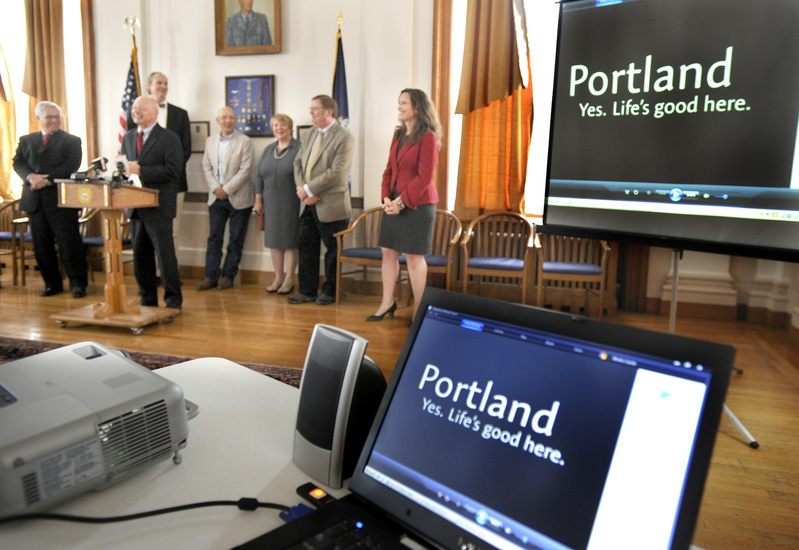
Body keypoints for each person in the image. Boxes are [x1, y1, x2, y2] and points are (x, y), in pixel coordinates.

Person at [367, 89, 442, 321]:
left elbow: (425, 176)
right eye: (398, 103)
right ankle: (387, 303)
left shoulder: (427, 136)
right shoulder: (398, 134)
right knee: (388, 252)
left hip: (418, 204)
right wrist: (386, 199)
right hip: (394, 203)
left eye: (403, 103)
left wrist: (400, 202)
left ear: (417, 107)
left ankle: (420, 310)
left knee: (413, 257)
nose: (398, 107)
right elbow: (389, 170)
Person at [12, 101, 88, 298]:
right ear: (39, 119)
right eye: (49, 117)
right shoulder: (26, 140)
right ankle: (52, 284)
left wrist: (45, 180)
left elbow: (71, 166)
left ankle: (78, 283)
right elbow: (18, 162)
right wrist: (30, 177)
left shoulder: (71, 140)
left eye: (57, 117)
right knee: (42, 245)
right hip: (34, 201)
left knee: (69, 244)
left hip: (61, 200)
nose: (54, 120)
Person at [289, 95, 354, 305]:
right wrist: (303, 190)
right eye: (311, 109)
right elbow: (297, 162)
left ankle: (331, 291)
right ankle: (307, 290)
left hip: (331, 203)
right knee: (307, 247)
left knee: (333, 251)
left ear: (329, 112)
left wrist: (309, 189)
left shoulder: (344, 137)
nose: (311, 112)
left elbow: (337, 172)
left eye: (315, 109)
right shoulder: (309, 134)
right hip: (306, 202)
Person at [120, 96, 184, 310]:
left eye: (141, 108)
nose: (136, 111)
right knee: (140, 256)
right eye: (134, 108)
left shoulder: (169, 138)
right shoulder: (128, 137)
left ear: (155, 113)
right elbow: (126, 169)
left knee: (164, 256)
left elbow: (173, 170)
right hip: (136, 207)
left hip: (159, 206)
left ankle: (173, 300)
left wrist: (142, 171)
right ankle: (147, 298)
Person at [198, 106, 255, 291]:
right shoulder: (210, 141)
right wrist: (216, 188)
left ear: (236, 120)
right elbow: (206, 166)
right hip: (216, 198)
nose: (227, 121)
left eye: (231, 118)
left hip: (239, 198)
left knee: (236, 239)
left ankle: (228, 276)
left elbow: (245, 170)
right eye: (224, 118)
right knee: (214, 238)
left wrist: (227, 189)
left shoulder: (244, 141)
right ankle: (210, 276)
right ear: (218, 120)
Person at [128, 72, 191, 235]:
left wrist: (165, 172)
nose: (163, 87)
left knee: (170, 235)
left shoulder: (180, 114)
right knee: (142, 241)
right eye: (159, 83)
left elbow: (185, 150)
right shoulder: (134, 114)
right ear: (149, 86)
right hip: (139, 189)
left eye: (165, 83)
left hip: (171, 184)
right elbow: (133, 150)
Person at [254, 113, 301, 294]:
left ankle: (289, 278)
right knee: (274, 242)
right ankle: (278, 277)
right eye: (275, 126)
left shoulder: (299, 148)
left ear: (290, 126)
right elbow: (259, 175)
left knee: (289, 241)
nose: (279, 129)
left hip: (292, 201)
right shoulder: (268, 150)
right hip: (270, 202)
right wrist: (258, 199)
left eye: (282, 125)